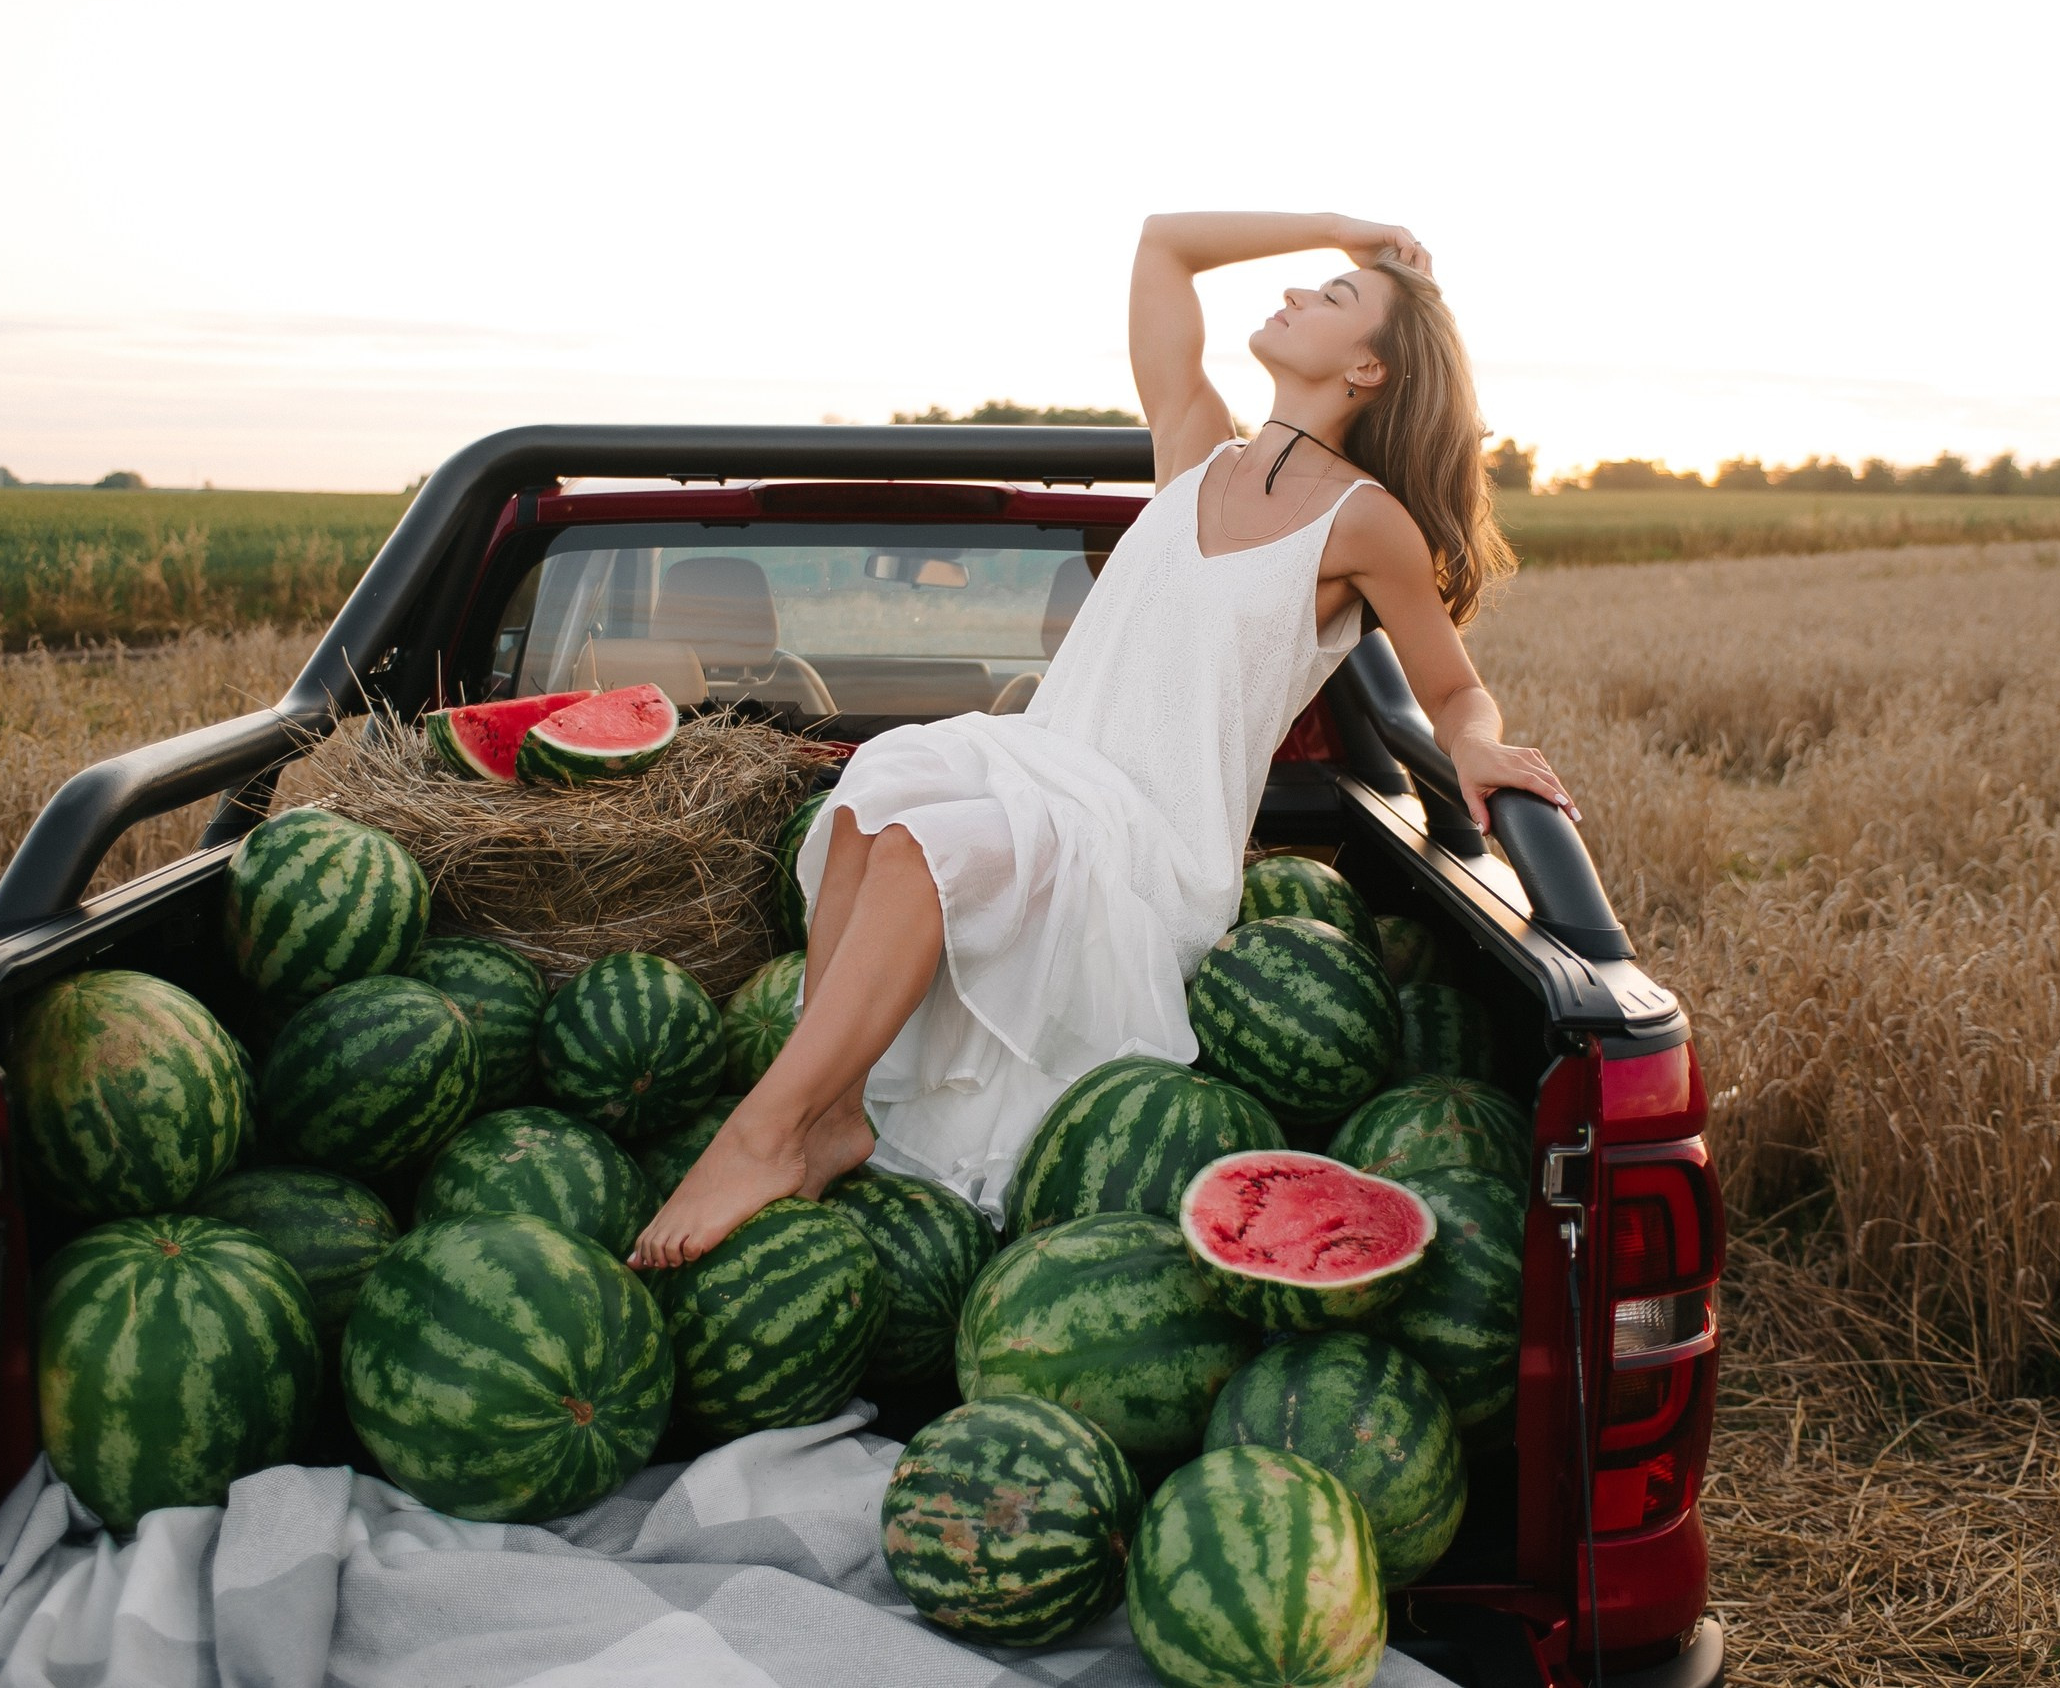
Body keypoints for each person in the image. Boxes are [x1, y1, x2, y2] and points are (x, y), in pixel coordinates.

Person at [629, 211, 1577, 1267]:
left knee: (919, 850)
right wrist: (1346, 232)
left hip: (1149, 845)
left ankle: (758, 1135)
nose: (1299, 292)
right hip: (1043, 770)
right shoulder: (1194, 450)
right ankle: (830, 1108)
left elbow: (1452, 690)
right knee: (874, 791)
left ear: (1367, 367)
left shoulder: (1364, 522)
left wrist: (1476, 745)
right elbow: (1164, 245)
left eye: (1334, 296)